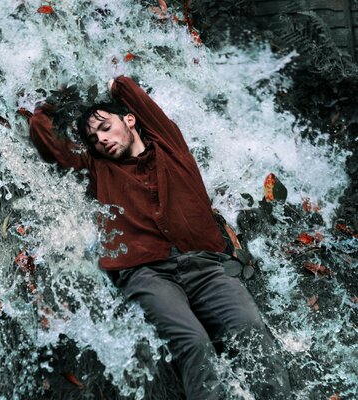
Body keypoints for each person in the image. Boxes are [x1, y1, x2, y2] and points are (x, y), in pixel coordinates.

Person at [28, 76, 291, 399]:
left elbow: (132, 94)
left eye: (106, 127)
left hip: (207, 266)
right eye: (94, 138)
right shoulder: (97, 169)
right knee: (193, 342)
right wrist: (54, 103)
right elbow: (46, 139)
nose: (101, 140)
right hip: (147, 273)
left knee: (249, 327)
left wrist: (107, 84)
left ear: (129, 120)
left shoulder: (170, 146)